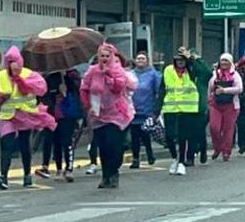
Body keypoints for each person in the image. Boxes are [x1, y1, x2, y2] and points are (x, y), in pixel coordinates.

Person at [0, 46, 56, 190]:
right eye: (9, 62)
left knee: (24, 145)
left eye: (14, 61)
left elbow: (40, 89)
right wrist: (0, 96)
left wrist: (18, 79)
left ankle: (27, 174)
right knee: (6, 145)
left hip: (26, 115)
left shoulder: (30, 74)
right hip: (8, 114)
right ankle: (3, 177)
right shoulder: (2, 75)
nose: (12, 64)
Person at [80, 43, 136, 189]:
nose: (104, 59)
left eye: (107, 56)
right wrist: (88, 105)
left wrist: (108, 74)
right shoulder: (92, 71)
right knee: (103, 146)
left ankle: (114, 171)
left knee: (114, 145)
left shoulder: (118, 70)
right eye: (102, 56)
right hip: (98, 113)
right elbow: (84, 89)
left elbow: (119, 87)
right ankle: (105, 176)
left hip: (116, 113)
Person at [157, 47, 199, 176]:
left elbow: (204, 71)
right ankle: (175, 158)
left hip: (187, 109)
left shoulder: (190, 71)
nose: (180, 62)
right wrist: (156, 109)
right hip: (170, 108)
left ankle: (181, 162)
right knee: (169, 136)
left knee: (182, 137)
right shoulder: (168, 70)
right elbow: (162, 90)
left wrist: (191, 58)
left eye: (183, 60)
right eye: (178, 60)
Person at [35, 68, 81, 182]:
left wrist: (67, 85)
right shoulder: (49, 79)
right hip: (54, 115)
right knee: (57, 142)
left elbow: (77, 91)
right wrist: (56, 93)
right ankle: (59, 169)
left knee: (67, 141)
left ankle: (69, 169)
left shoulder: (70, 77)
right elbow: (44, 97)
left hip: (68, 114)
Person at [208, 53, 242, 161]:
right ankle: (217, 148)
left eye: (226, 61)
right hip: (216, 104)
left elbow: (240, 88)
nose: (224, 63)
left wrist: (225, 90)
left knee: (228, 129)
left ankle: (226, 151)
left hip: (230, 105)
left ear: (230, 62)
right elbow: (210, 88)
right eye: (222, 60)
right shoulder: (215, 73)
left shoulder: (235, 75)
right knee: (214, 128)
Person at [129, 52, 160, 169]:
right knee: (134, 136)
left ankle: (149, 153)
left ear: (147, 61)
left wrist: (156, 110)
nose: (140, 60)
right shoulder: (130, 74)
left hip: (147, 109)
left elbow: (158, 92)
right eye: (138, 58)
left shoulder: (153, 75)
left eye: (143, 58)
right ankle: (135, 159)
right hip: (133, 109)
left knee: (145, 133)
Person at [187, 49, 212, 166]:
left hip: (200, 108)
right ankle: (190, 157)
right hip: (186, 107)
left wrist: (196, 59)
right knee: (190, 133)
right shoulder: (185, 77)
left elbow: (207, 72)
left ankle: (203, 150)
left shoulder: (201, 79)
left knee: (200, 132)